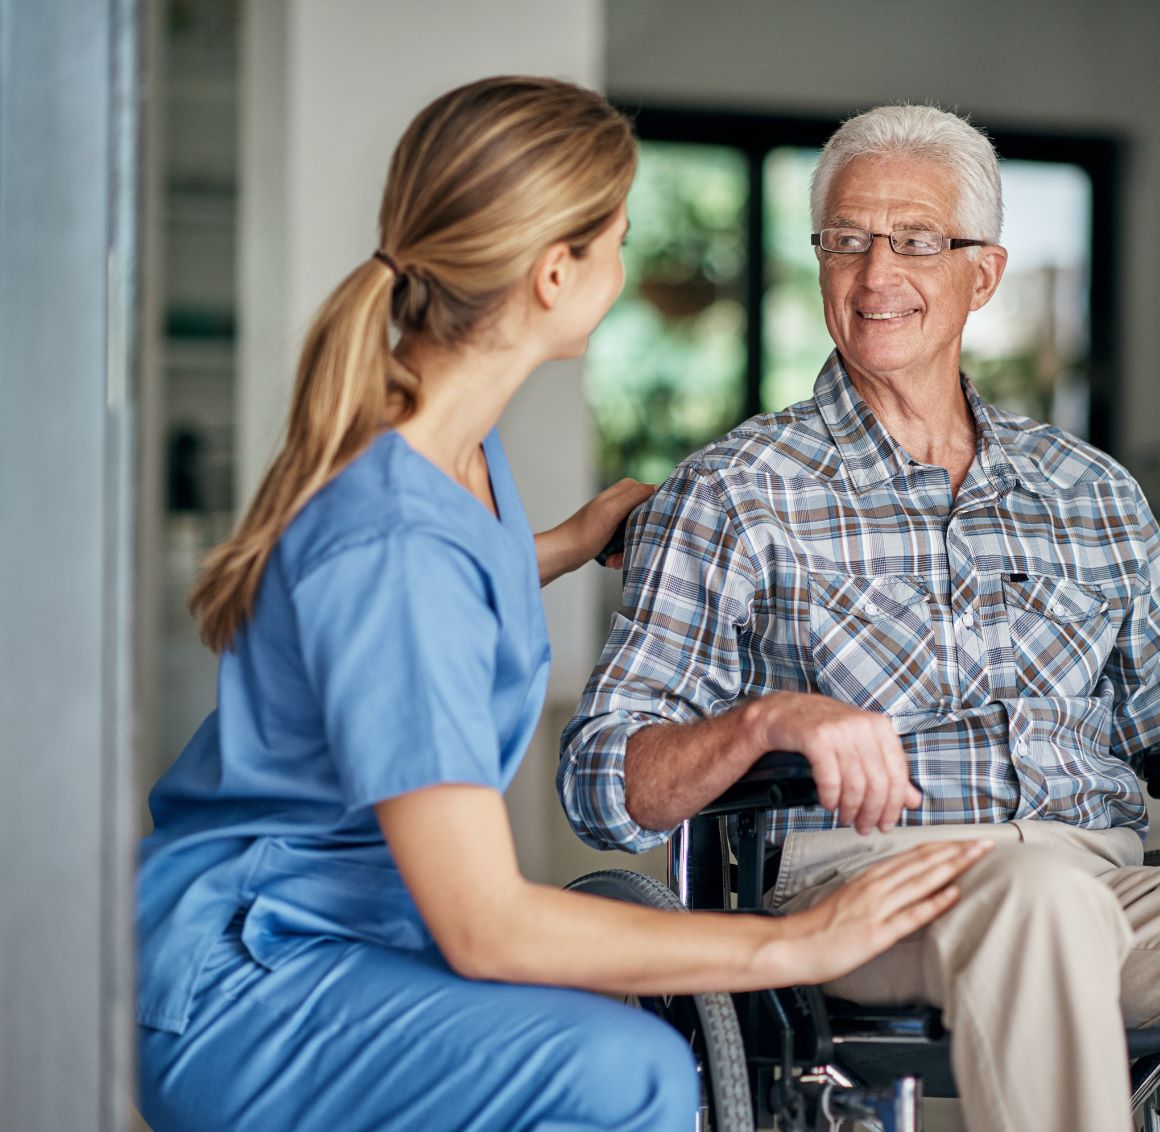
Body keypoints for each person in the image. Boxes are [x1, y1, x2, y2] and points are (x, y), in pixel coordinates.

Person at [135, 79, 989, 1132]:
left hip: (339, 932)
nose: (623, 273)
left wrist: (568, 542)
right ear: (553, 273)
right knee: (623, 1068)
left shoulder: (446, 452)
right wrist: (791, 943)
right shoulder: (396, 540)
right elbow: (487, 924)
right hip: (251, 981)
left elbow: (439, 589)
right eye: (617, 242)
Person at [560, 102, 1160, 1132]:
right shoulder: (735, 490)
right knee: (1034, 900)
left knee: (1055, 892)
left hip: (1102, 873)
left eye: (915, 242)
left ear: (983, 273)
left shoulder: (1091, 492)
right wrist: (762, 719)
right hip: (864, 885)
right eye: (845, 240)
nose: (874, 274)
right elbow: (599, 783)